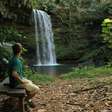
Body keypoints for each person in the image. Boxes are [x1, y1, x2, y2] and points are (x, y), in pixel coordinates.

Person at [8, 43, 39, 108]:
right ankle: (25, 101)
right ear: (20, 50)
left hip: (12, 81)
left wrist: (24, 67)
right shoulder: (16, 61)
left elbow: (14, 70)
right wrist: (21, 81)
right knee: (36, 89)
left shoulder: (12, 59)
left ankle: (29, 100)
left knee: (30, 82)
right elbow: (14, 74)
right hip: (16, 83)